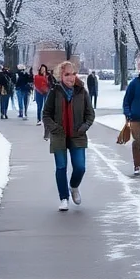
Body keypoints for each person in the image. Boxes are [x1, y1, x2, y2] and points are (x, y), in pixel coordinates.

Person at [42, 61, 94, 211]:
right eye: (67, 75)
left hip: (77, 134)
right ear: (60, 76)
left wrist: (84, 127)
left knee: (80, 167)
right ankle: (63, 198)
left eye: (73, 74)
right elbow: (46, 114)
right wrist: (54, 128)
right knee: (61, 167)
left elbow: (90, 114)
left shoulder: (82, 92)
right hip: (59, 135)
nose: (71, 78)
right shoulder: (55, 92)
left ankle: (74, 186)